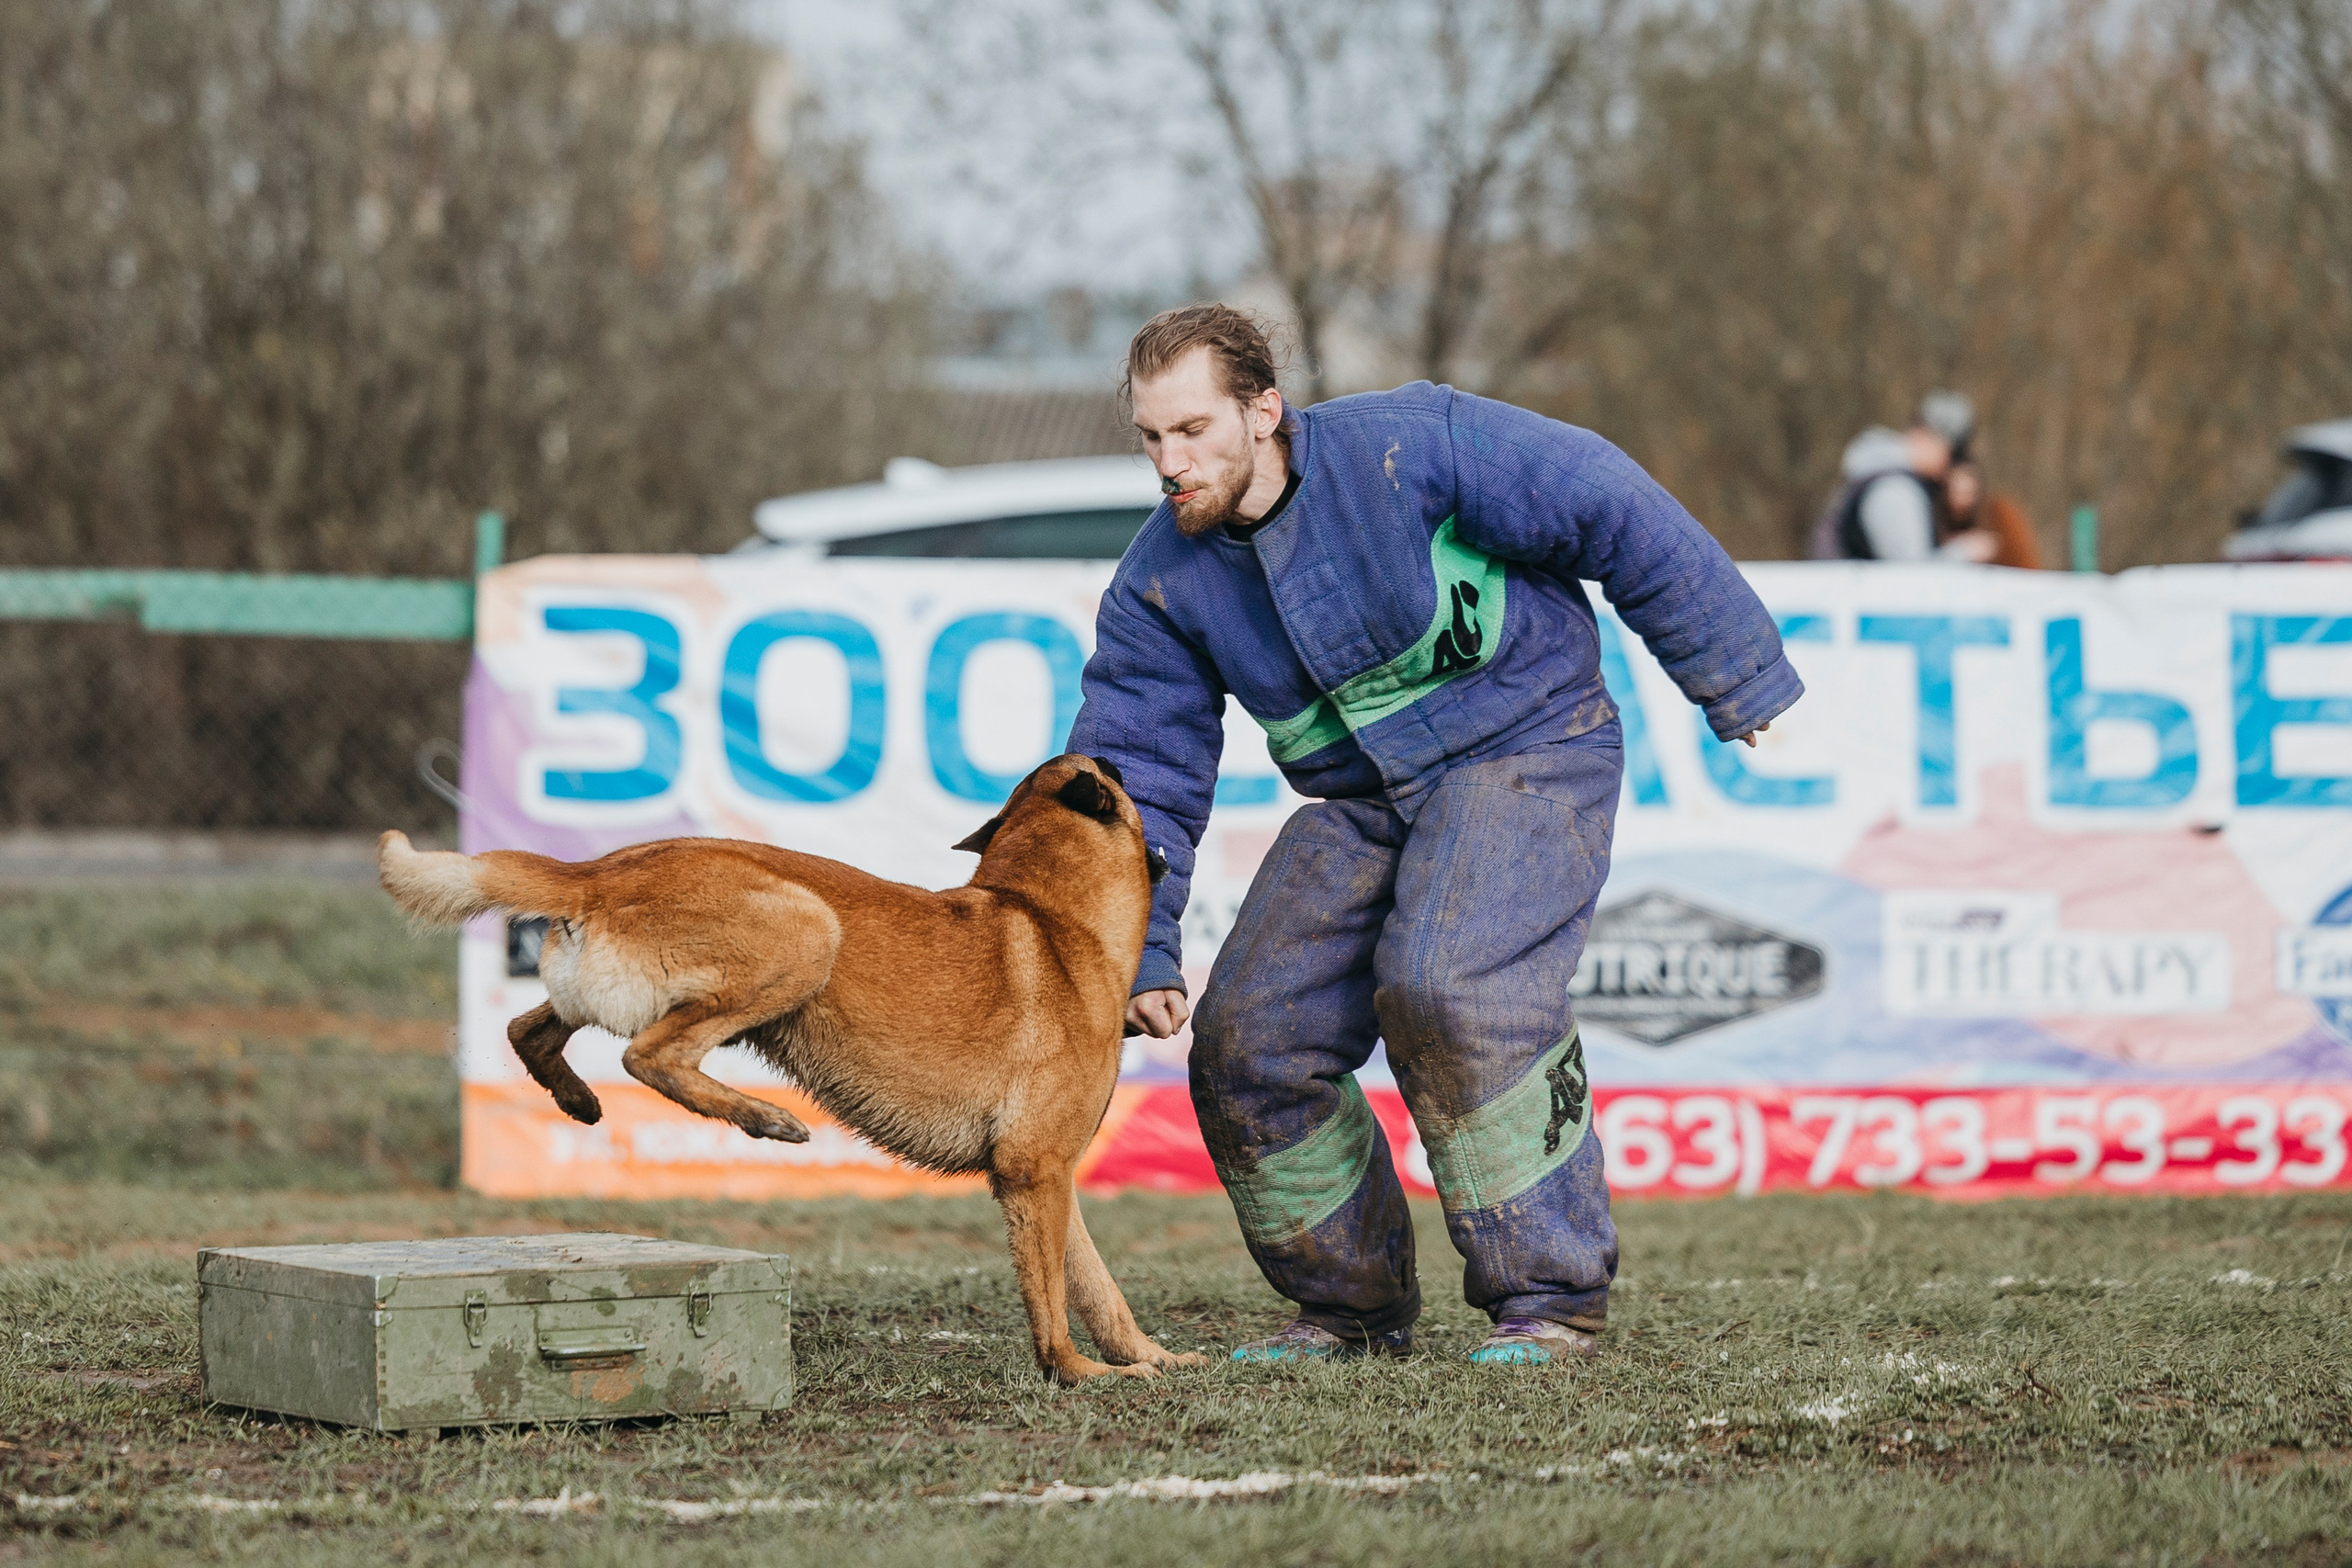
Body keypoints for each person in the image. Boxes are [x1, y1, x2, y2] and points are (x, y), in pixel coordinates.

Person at [1066, 305, 1801, 1367]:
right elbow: (1136, 772)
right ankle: (1352, 1309)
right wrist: (1141, 946)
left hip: (1527, 746)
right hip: (1364, 801)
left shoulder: (1412, 446)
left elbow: (1607, 502)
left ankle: (1548, 1299)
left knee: (1447, 985)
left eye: (1192, 430)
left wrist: (1734, 672)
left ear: (1263, 410)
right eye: (1150, 438)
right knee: (1248, 1041)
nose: (1169, 463)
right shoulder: (1159, 582)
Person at [1812, 391, 1996, 562]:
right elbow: (1910, 578)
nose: (1950, 465)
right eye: (1952, 453)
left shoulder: (1883, 474)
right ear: (1926, 436)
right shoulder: (1896, 490)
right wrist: (1964, 552)